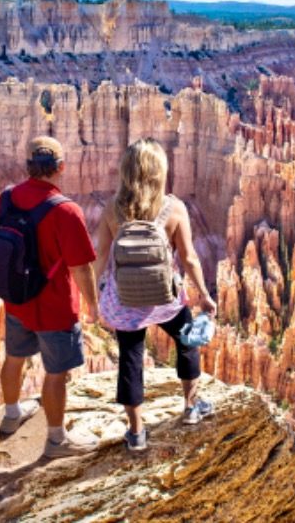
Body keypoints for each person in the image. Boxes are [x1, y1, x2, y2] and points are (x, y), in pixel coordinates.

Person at [93, 138, 218, 452]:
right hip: (166, 300)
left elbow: (101, 255)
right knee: (187, 342)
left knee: (130, 360)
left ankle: (136, 432)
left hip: (124, 303)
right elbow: (188, 257)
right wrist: (203, 294)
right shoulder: (174, 208)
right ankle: (191, 408)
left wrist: (95, 295)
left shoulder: (112, 208)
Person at [0, 136, 101, 458]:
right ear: (61, 167)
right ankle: (56, 441)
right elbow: (81, 268)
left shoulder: (6, 199)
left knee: (14, 359)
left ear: (28, 167)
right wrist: (92, 305)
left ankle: (11, 416)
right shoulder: (67, 211)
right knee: (56, 373)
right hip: (55, 308)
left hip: (16, 301)